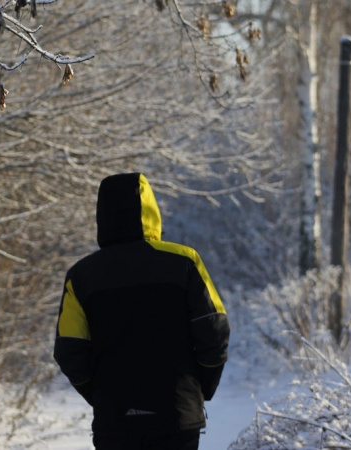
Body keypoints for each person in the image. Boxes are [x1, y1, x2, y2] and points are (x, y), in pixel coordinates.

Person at [54, 172, 230, 450]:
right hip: (177, 416)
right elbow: (214, 330)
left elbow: (69, 350)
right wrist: (201, 388)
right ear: (151, 210)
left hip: (114, 421)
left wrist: (101, 395)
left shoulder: (81, 276)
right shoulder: (185, 262)